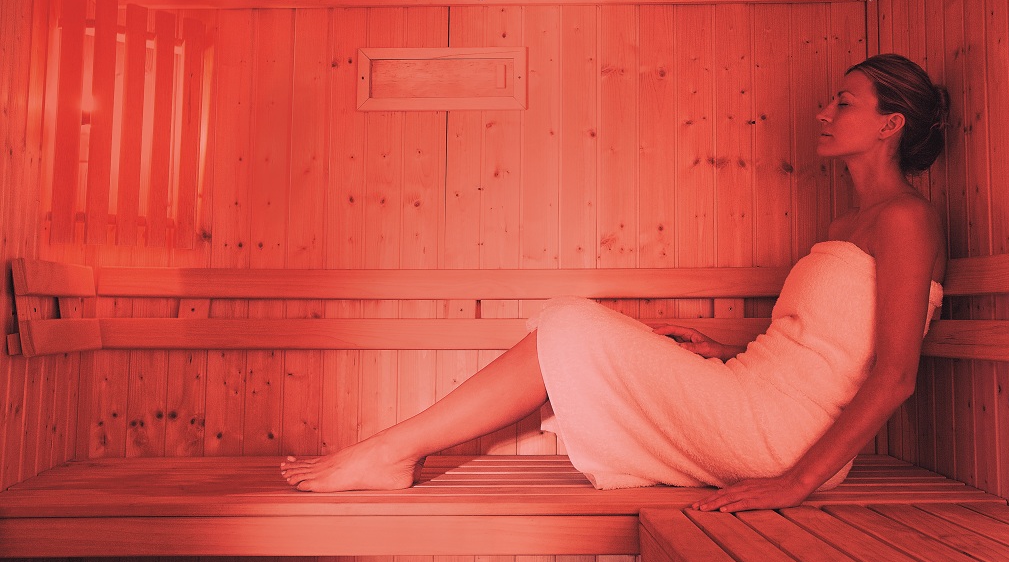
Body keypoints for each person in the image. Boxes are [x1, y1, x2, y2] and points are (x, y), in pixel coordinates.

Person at [281, 53, 950, 513]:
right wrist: (727, 353)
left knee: (569, 321)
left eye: (845, 101)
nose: (824, 111)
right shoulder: (848, 220)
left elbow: (894, 373)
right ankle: (392, 452)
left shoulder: (907, 220)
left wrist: (796, 482)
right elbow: (826, 347)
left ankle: (391, 453)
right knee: (567, 324)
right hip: (757, 397)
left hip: (790, 442)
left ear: (890, 124)